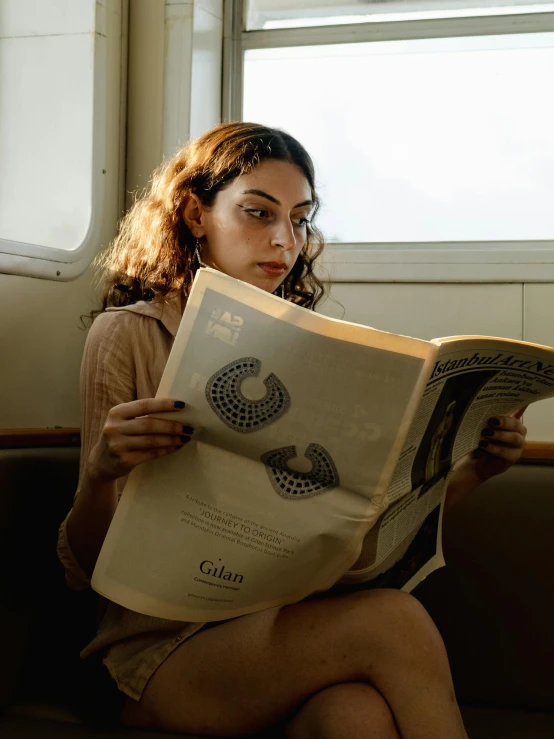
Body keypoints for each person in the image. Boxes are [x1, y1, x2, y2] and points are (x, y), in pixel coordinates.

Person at [57, 122, 527, 739]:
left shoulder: (313, 350)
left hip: (282, 625)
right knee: (393, 621)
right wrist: (100, 475)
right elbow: (87, 568)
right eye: (258, 213)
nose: (285, 241)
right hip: (163, 652)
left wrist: (473, 469)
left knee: (355, 717)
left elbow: (357, 527)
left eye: (301, 220)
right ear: (196, 214)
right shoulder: (129, 335)